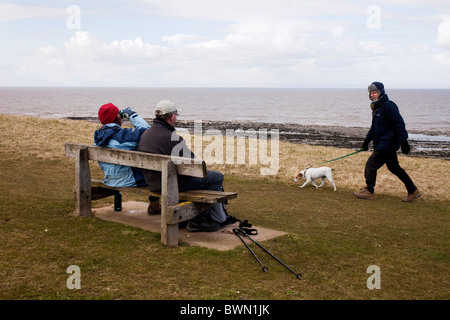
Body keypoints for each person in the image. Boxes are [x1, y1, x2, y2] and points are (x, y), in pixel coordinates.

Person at [138, 100, 235, 232]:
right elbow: (193, 165)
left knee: (196, 178)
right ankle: (199, 220)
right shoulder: (172, 138)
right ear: (172, 117)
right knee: (216, 177)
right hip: (170, 184)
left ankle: (185, 217)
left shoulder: (146, 134)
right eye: (176, 116)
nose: (176, 118)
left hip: (153, 183)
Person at [353, 82, 421, 202]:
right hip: (382, 143)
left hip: (387, 144)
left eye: (374, 92)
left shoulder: (389, 105)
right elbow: (374, 128)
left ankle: (369, 191)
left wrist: (404, 141)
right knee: (394, 168)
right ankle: (413, 191)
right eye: (370, 93)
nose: (372, 95)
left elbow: (399, 123)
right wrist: (366, 142)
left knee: (371, 165)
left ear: (381, 92)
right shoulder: (377, 107)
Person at [94, 103, 150, 187]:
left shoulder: (98, 136)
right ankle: (154, 200)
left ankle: (153, 200)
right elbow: (148, 134)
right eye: (118, 114)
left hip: (110, 179)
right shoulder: (123, 136)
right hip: (129, 180)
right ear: (116, 117)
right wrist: (132, 115)